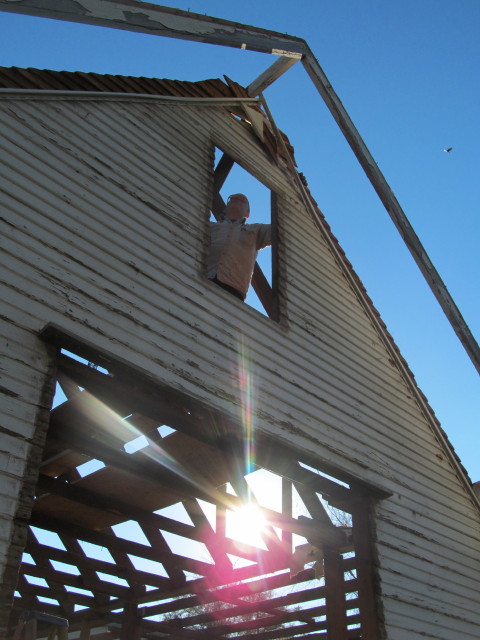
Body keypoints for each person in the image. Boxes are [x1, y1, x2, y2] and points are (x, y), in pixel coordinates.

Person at [208, 194, 271, 301]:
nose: (237, 199)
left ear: (247, 214)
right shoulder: (211, 226)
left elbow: (281, 228)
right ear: (226, 208)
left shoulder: (255, 230)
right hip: (204, 277)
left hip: (234, 290)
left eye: (242, 200)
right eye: (232, 199)